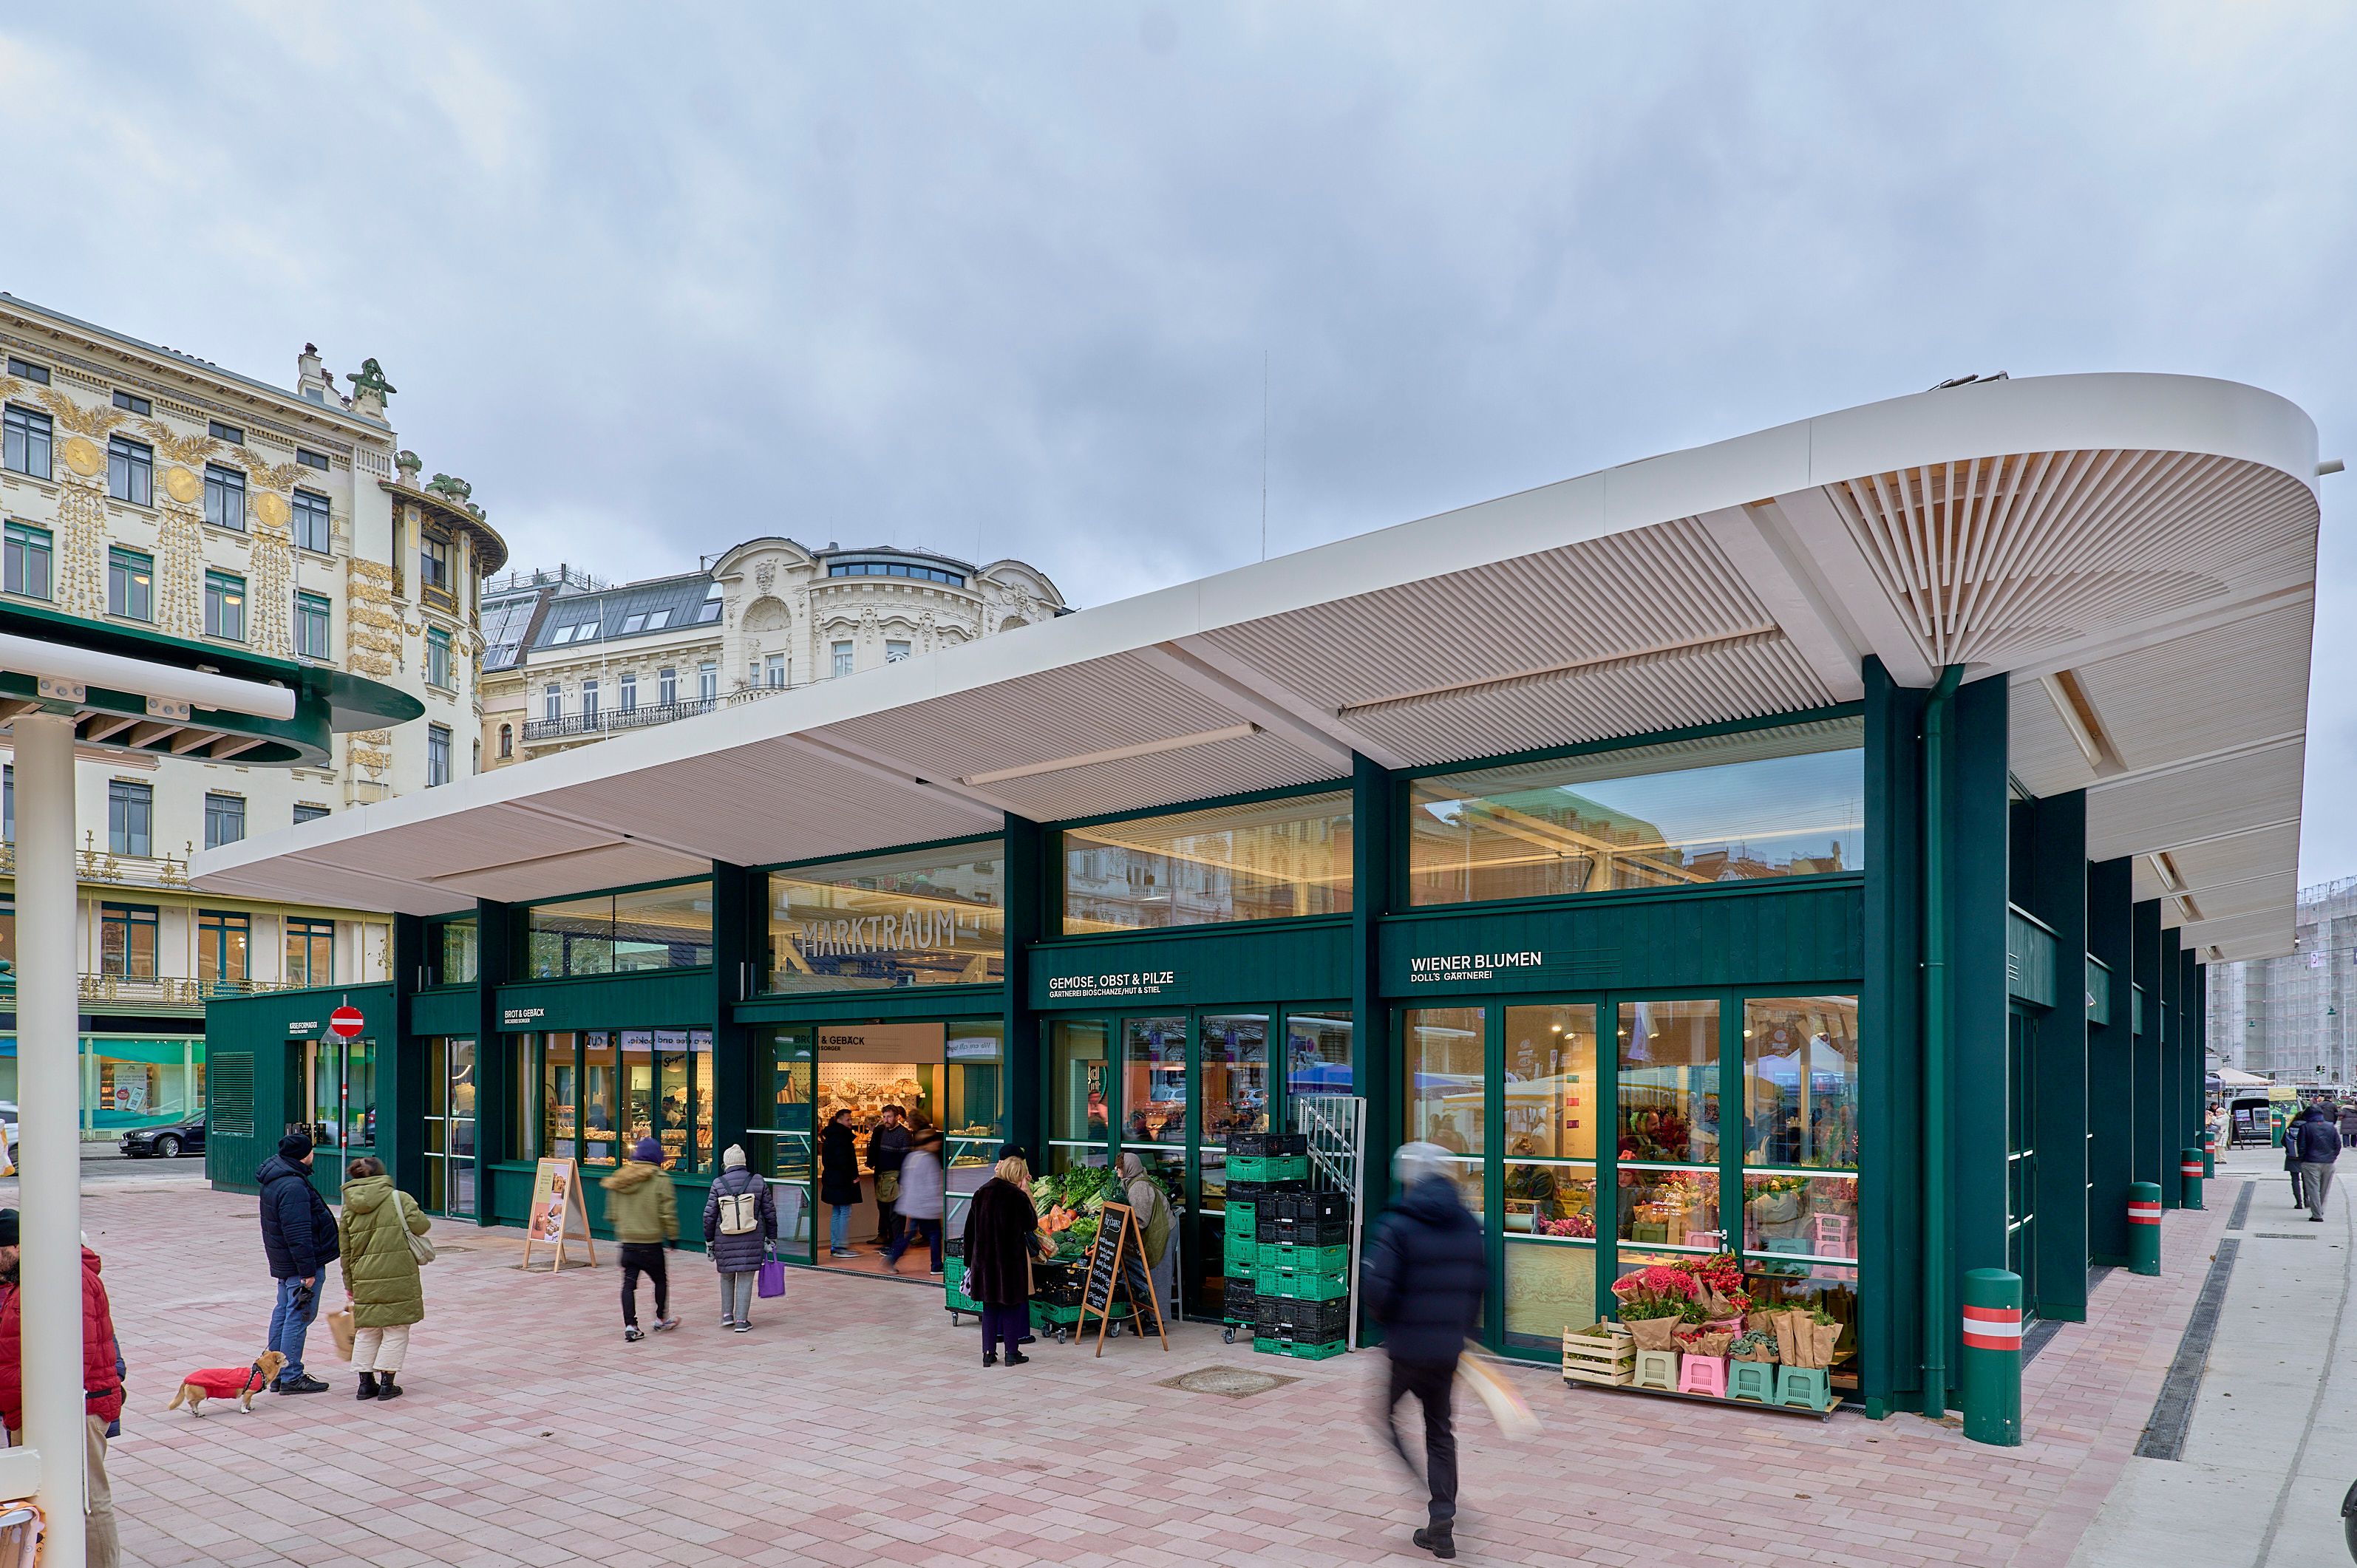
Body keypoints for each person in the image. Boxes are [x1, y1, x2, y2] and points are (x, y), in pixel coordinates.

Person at [1361, 1141, 1486, 1561]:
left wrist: (1391, 1325)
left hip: (1408, 1348)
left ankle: (1427, 1496)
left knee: (1383, 1418)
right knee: (1440, 1431)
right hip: (1447, 1350)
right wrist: (1459, 1331)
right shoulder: (1467, 1222)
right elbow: (1480, 1284)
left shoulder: (1398, 1223)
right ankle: (1442, 1522)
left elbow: (1377, 1290)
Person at [0, 1211, 126, 1567]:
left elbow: (76, 1355)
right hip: (47, 1408)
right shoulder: (33, 1276)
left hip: (71, 1411)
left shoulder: (63, 1277)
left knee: (88, 1501)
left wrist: (46, 1411)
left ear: (19, 1246)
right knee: (60, 1500)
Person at [336, 1156, 430, 1401]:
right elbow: (421, 1226)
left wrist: (349, 1284)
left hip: (363, 1276)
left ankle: (365, 1384)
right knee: (396, 1327)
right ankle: (388, 1384)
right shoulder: (399, 1198)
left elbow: (344, 1250)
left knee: (367, 1329)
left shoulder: (348, 1206)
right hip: (398, 1273)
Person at [256, 1131, 339, 1394]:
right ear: (304, 1155)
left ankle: (275, 1371)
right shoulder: (293, 1185)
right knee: (298, 1315)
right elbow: (299, 1231)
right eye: (311, 1150)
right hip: (299, 1264)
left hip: (284, 1260)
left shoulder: (277, 1178)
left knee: (283, 1312)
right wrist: (307, 1270)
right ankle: (292, 1375)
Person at [962, 1146, 1047, 1367]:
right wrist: (1025, 1192)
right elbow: (1031, 1224)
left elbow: (969, 1230)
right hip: (1010, 1261)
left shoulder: (982, 1192)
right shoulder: (1017, 1196)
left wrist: (968, 1260)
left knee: (989, 1307)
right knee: (1010, 1305)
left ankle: (988, 1353)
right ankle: (1011, 1353)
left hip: (984, 1261)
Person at [602, 1136, 680, 1340]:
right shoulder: (661, 1179)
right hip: (651, 1243)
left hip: (628, 1243)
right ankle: (661, 1319)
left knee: (629, 1284)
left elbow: (611, 1215)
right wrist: (672, 1237)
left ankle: (631, 1325)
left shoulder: (620, 1177)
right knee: (660, 1280)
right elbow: (667, 1213)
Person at [704, 1143, 778, 1331]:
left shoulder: (718, 1183)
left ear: (726, 1164)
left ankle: (727, 1315)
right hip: (751, 1238)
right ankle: (742, 1321)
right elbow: (770, 1212)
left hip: (724, 1237)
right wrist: (772, 1237)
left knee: (727, 1276)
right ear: (744, 1163)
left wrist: (709, 1241)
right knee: (745, 1277)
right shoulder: (758, 1181)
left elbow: (709, 1216)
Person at [1118, 1152, 1175, 1333]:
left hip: (1163, 1231)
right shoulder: (1133, 1181)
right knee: (1148, 1274)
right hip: (1157, 1229)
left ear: (1129, 1168)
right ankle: (1148, 1317)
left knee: (1159, 1275)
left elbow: (1140, 1220)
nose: (1117, 1170)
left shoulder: (1139, 1187)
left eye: (1120, 1167)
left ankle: (1158, 1323)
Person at [886, 1129, 947, 1274]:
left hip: (913, 1204)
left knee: (911, 1233)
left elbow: (905, 1181)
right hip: (925, 1206)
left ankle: (893, 1258)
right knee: (935, 1234)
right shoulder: (930, 1160)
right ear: (929, 1143)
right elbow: (933, 1186)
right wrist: (938, 1205)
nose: (938, 1143)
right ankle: (936, 1265)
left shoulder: (912, 1157)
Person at [869, 1104, 911, 1252]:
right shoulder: (885, 1132)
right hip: (883, 1177)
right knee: (886, 1212)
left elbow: (906, 1158)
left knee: (896, 1215)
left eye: (889, 1117)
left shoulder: (904, 1134)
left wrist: (902, 1179)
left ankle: (897, 1245)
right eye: (884, 1117)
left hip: (896, 1178)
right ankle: (891, 1243)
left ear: (897, 1117)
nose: (886, 1120)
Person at [820, 1108, 861, 1258]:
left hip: (832, 1179)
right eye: (848, 1120)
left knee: (837, 1212)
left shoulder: (830, 1137)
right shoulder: (843, 1139)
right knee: (844, 1212)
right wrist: (853, 1176)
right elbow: (845, 1161)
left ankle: (835, 1244)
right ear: (839, 1120)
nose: (850, 1123)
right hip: (843, 1181)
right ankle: (841, 1246)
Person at [2296, 1101, 2342, 1222]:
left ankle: (2317, 1215)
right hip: (2329, 1162)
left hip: (2310, 1162)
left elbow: (2301, 1146)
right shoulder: (2330, 1126)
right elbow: (2338, 1145)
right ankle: (2319, 1210)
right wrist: (2333, 1157)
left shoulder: (2305, 1127)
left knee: (2313, 1189)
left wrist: (2302, 1159)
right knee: (2324, 1189)